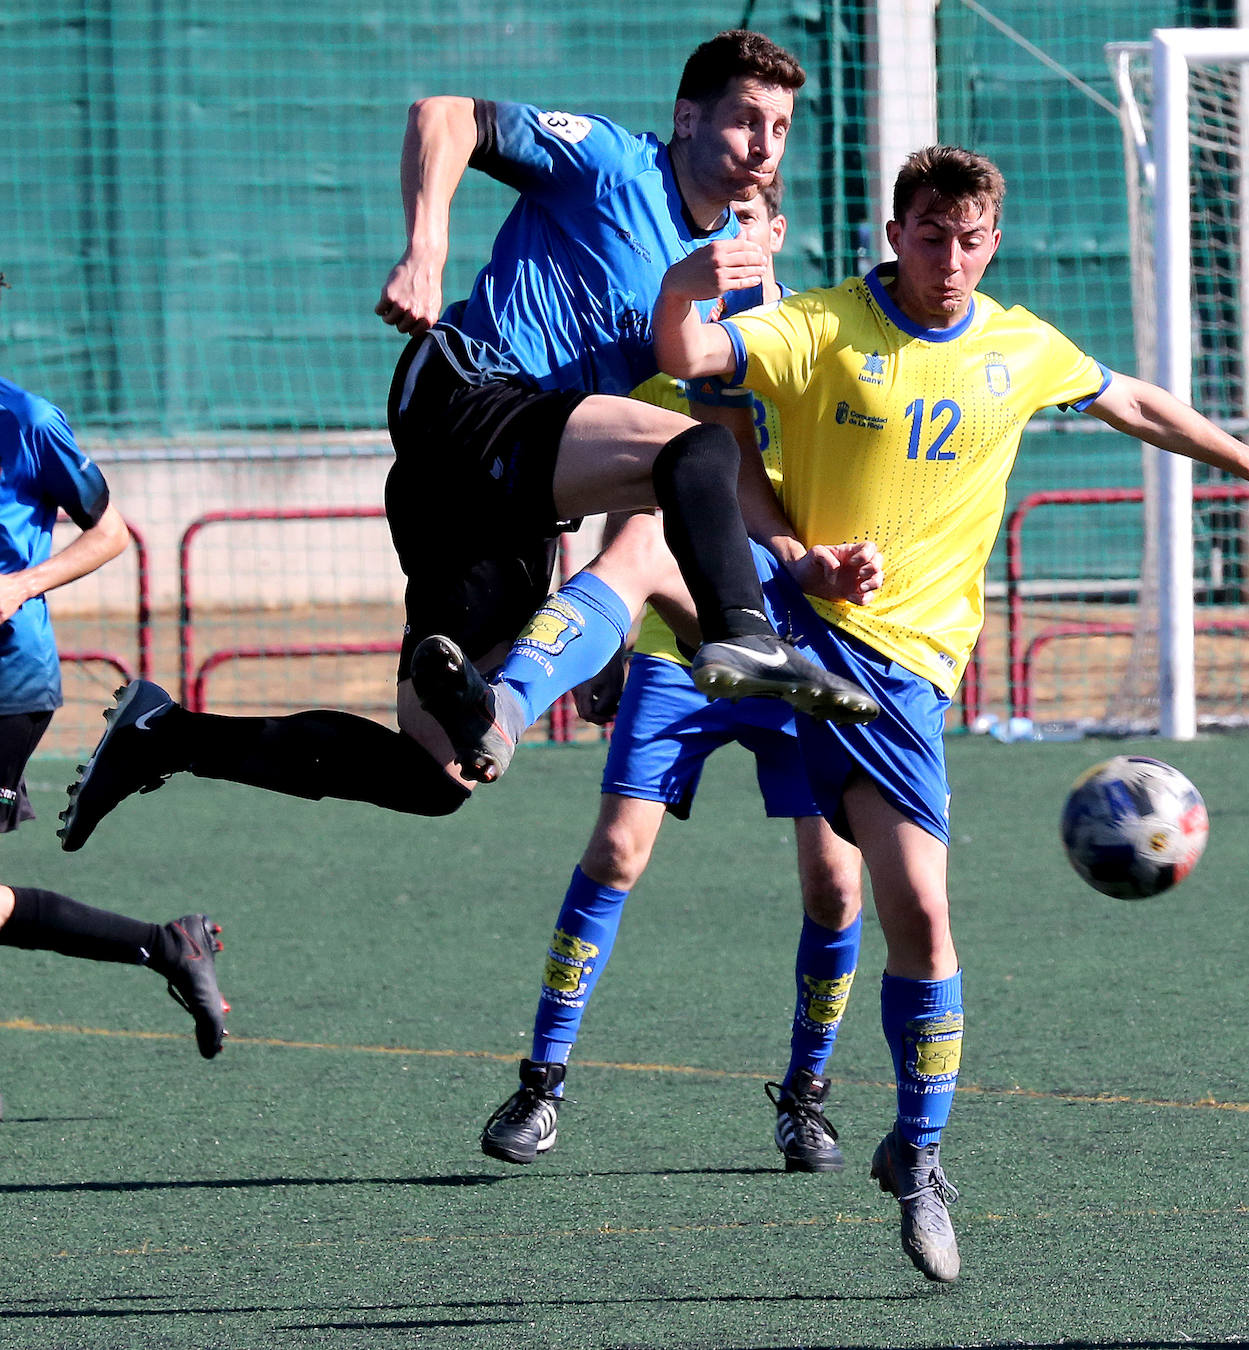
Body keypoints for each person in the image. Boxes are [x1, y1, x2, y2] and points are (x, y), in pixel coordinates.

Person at [644, 145, 1249, 1283]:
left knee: (904, 911)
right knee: (880, 897)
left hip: (911, 674)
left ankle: (910, 1152)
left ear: (996, 240)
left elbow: (1132, 401)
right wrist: (699, 271)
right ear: (894, 231)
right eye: (932, 235)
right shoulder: (823, 325)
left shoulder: (1017, 347)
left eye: (972, 239)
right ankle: (870, 1132)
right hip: (811, 639)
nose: (952, 259)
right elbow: (686, 362)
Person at [56, 27, 875, 856]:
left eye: (779, 128)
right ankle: (744, 636)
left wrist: (789, 556)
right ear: (687, 119)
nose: (763, 147)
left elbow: (661, 450)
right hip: (464, 393)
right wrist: (427, 250)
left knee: (439, 769)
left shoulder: (735, 274)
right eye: (745, 121)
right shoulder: (613, 162)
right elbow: (444, 116)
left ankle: (167, 735)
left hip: (507, 485)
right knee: (693, 453)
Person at [479, 185, 867, 1174]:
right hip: (682, 642)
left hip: (802, 641)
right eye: (716, 218)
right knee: (614, 852)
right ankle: (542, 1082)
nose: (730, 235)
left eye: (750, 217)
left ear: (780, 231)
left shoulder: (818, 343)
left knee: (834, 883)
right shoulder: (673, 347)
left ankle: (807, 1096)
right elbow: (632, 504)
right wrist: (603, 646)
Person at [0, 362, 227, 1059]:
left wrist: (22, 583)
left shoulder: (28, 422)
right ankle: (168, 944)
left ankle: (169, 945)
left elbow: (110, 530)